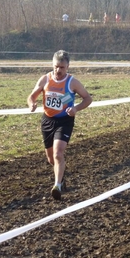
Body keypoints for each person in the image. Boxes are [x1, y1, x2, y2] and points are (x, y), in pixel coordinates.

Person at [27, 50, 92, 200]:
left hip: (65, 121)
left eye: (62, 67)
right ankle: (61, 178)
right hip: (48, 121)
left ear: (68, 67)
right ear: (52, 65)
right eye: (56, 66)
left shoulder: (72, 82)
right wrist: (32, 104)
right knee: (51, 159)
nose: (58, 70)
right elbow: (31, 96)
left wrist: (76, 108)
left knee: (58, 153)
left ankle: (57, 185)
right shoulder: (45, 79)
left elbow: (88, 98)